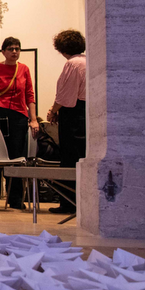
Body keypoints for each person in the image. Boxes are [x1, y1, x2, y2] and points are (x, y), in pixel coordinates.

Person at [0, 36, 39, 210]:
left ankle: (15, 199)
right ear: (3, 51)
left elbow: (29, 95)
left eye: (17, 48)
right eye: (11, 48)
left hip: (19, 117)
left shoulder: (24, 69)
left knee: (17, 158)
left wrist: (34, 119)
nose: (14, 52)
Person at [46, 29, 86, 214]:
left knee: (70, 157)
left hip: (74, 115)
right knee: (83, 156)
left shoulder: (72, 64)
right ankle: (84, 202)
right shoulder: (88, 61)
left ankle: (68, 203)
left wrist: (53, 111)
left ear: (62, 48)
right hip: (87, 113)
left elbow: (64, 96)